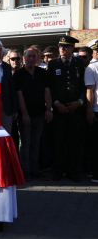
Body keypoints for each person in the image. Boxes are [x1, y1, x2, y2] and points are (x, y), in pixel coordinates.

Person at [48, 36, 85, 182]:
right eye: (60, 46)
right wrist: (56, 103)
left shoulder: (79, 64)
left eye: (66, 47)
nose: (62, 49)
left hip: (75, 108)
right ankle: (58, 170)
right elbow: (49, 86)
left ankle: (72, 171)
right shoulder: (53, 64)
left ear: (72, 48)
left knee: (74, 141)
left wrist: (80, 102)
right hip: (59, 109)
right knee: (58, 141)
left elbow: (84, 86)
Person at [14, 48, 53, 182]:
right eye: (28, 56)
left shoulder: (43, 73)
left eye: (33, 56)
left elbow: (47, 91)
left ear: (37, 58)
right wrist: (24, 114)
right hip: (25, 115)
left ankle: (34, 169)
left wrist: (49, 109)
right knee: (25, 143)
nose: (31, 59)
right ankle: (25, 170)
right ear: (24, 58)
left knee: (36, 143)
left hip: (40, 114)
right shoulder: (18, 74)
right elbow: (19, 95)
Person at [84, 50, 98, 183]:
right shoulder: (91, 68)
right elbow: (90, 90)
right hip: (96, 109)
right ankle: (96, 173)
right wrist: (89, 110)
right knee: (95, 143)